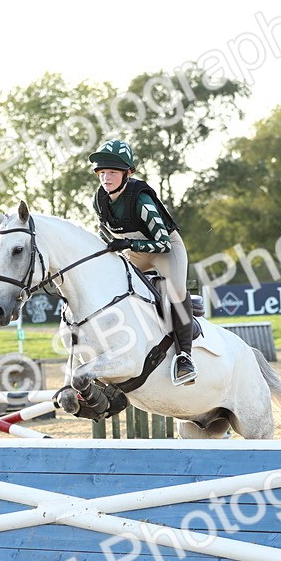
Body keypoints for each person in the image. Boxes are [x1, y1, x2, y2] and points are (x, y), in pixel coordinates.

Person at [88, 139, 197, 386]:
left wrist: (127, 245)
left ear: (128, 173)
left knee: (176, 288)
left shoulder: (141, 199)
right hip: (134, 250)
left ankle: (184, 357)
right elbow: (104, 228)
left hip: (165, 249)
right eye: (102, 172)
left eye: (112, 172)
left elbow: (162, 243)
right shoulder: (99, 199)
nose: (106, 178)